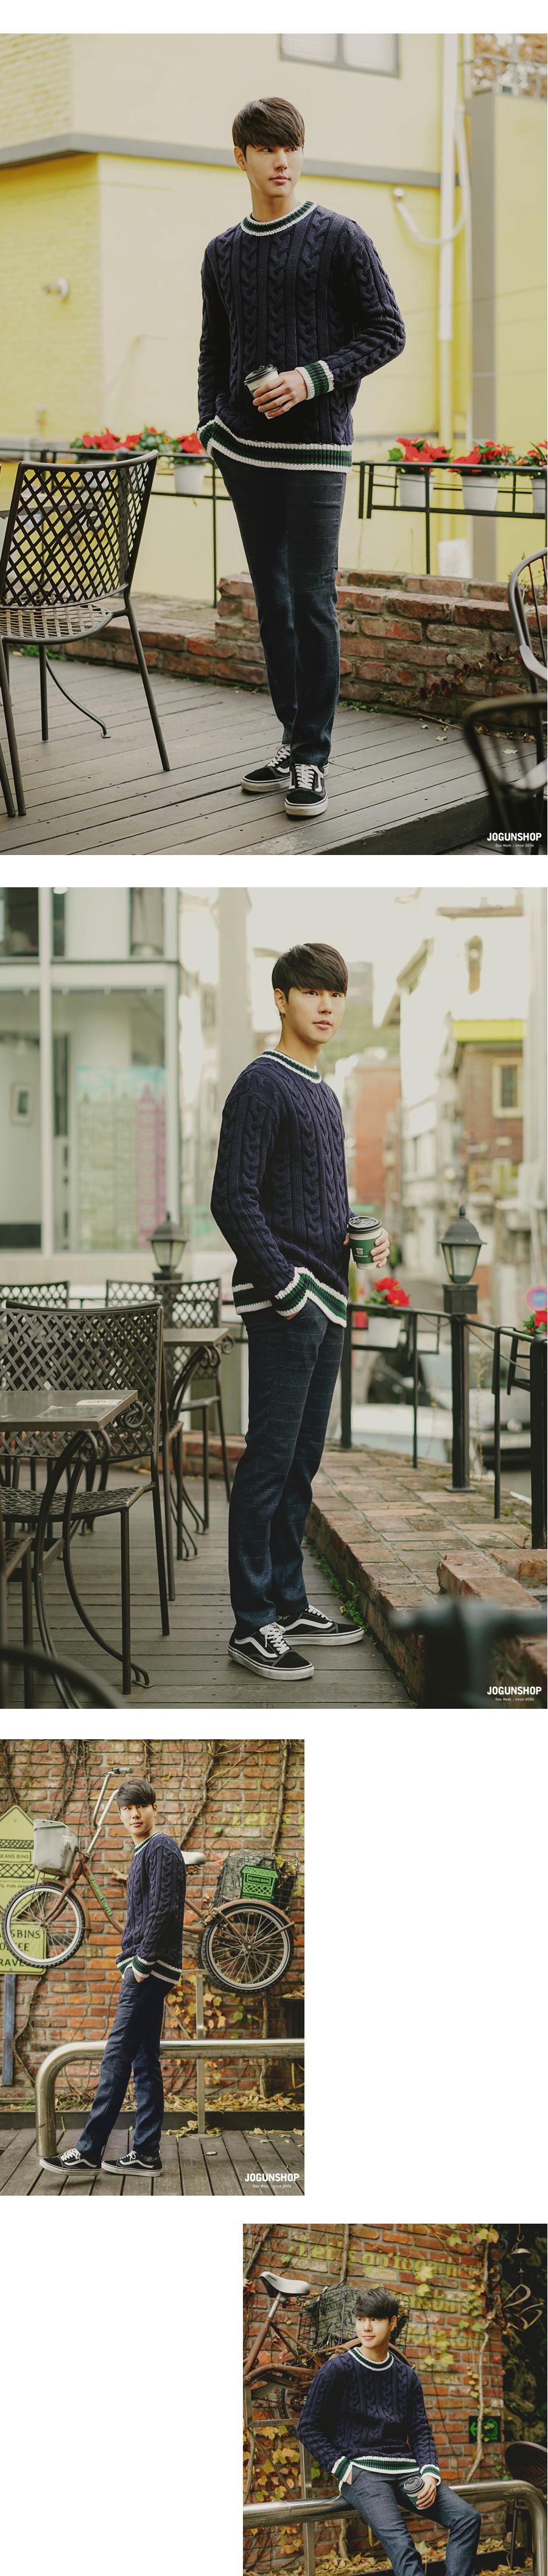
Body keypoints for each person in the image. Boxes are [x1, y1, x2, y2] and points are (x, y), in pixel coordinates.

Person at [197, 94, 405, 821]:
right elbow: (214, 348)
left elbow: (387, 331)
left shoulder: (341, 237)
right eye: (266, 148)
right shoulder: (221, 253)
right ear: (242, 156)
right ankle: (291, 739)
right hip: (245, 453)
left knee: (313, 601)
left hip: (317, 450)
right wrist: (209, 428)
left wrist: (311, 378)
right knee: (274, 604)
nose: (281, 160)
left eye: (290, 146)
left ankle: (314, 755)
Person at [211, 940, 390, 1681]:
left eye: (336, 993)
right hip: (289, 1303)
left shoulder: (323, 1092)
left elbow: (314, 1197)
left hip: (327, 1298)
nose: (326, 1005)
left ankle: (287, 1602)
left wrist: (359, 1231)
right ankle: (251, 1622)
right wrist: (286, 1287)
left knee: (300, 1463)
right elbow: (233, 1198)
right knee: (269, 1460)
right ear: (282, 998)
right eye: (312, 991)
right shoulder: (262, 1084)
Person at [298, 2288, 510, 2576]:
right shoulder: (338, 2370)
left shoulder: (405, 2375)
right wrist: (342, 2467)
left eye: (375, 2319)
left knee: (467, 2519)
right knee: (402, 2546)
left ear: (392, 2323)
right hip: (362, 2472)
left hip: (405, 2469)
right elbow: (308, 2427)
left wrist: (429, 2471)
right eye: (361, 2319)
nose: (366, 2327)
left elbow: (420, 2430)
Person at [40, 1780, 186, 2179]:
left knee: (117, 2055)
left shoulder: (160, 1847)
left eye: (141, 1806)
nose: (134, 1814)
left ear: (154, 1808)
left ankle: (89, 2150)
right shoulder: (145, 1852)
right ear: (121, 1815)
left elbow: (164, 1910)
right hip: (148, 1969)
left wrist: (142, 1962)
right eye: (126, 1809)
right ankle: (146, 2154)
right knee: (144, 2061)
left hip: (149, 1971)